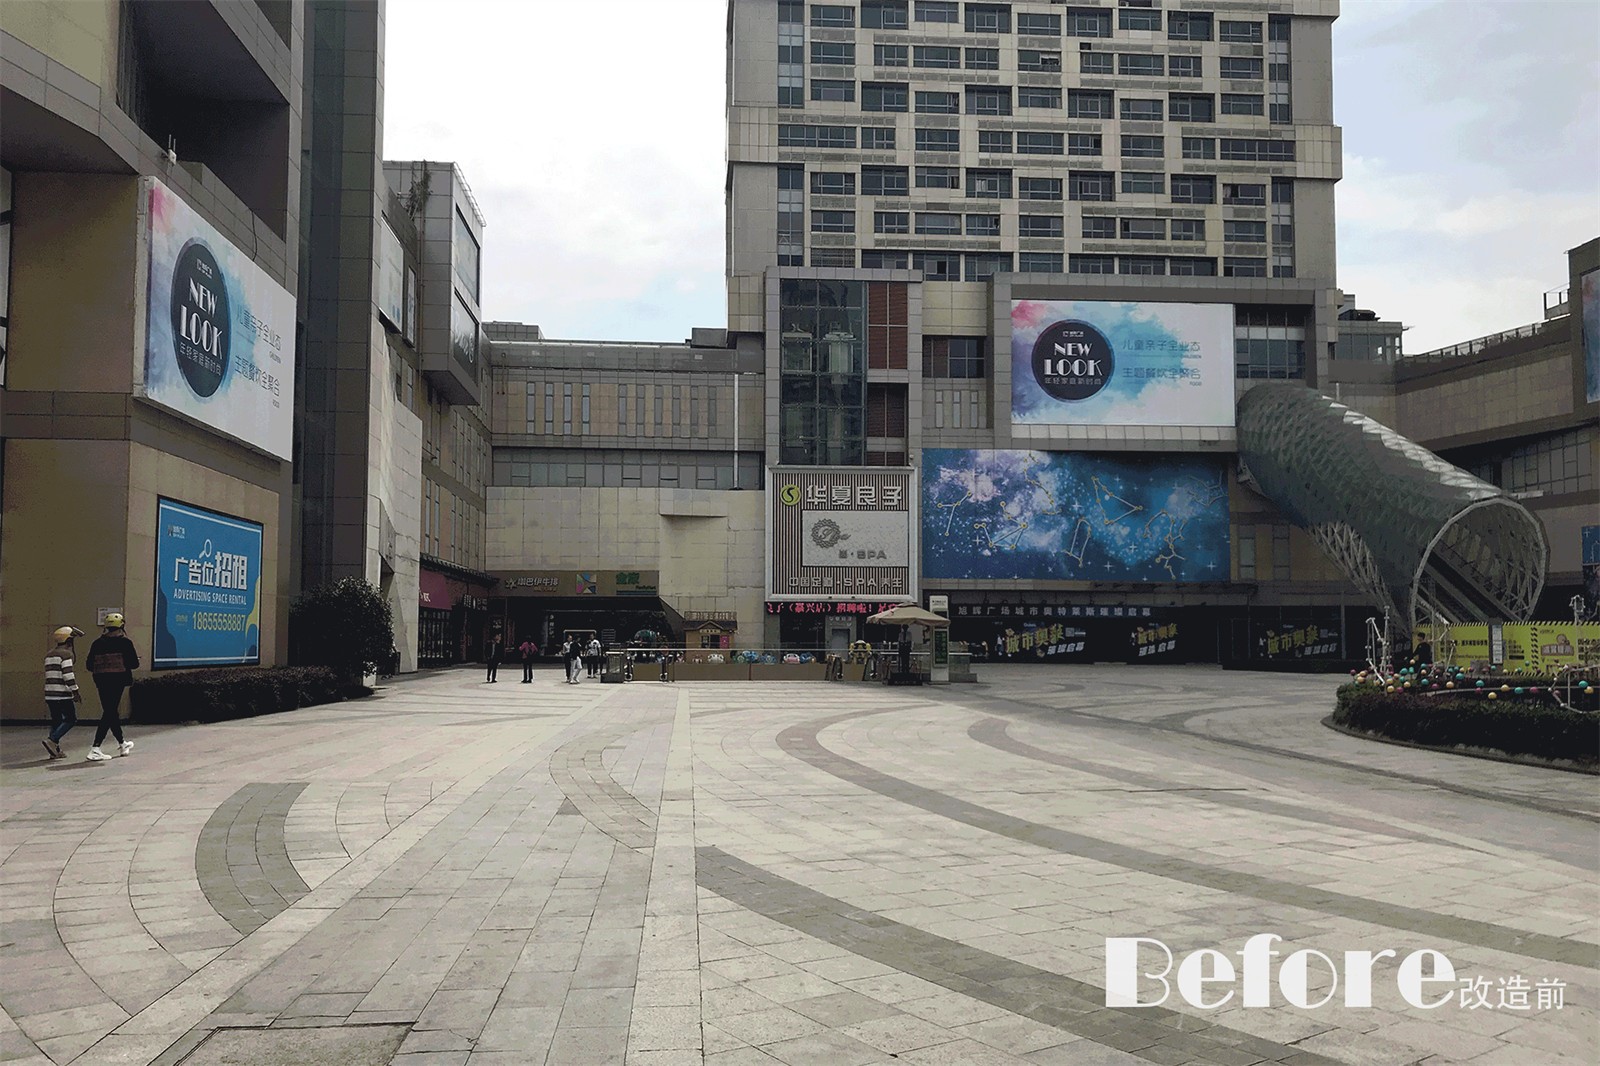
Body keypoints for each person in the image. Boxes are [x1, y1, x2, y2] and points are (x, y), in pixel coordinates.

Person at [85, 613, 139, 761]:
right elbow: (134, 664)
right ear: (121, 626)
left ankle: (122, 743)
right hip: (118, 681)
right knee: (110, 712)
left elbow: (89, 665)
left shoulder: (97, 643)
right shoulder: (125, 643)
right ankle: (95, 747)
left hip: (101, 681)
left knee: (111, 711)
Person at [42, 626, 84, 760]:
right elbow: (68, 675)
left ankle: (55, 751)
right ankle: (52, 740)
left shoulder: (49, 654)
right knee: (71, 719)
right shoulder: (66, 655)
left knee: (56, 721)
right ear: (69, 640)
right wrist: (75, 691)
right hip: (62, 694)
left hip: (50, 694)